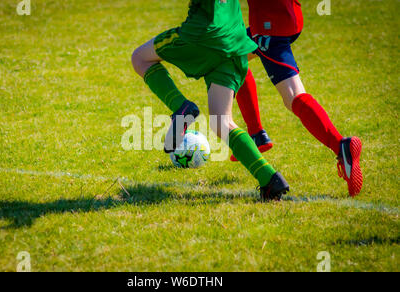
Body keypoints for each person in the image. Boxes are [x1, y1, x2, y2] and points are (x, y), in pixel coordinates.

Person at [131, 0, 289, 201]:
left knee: (140, 58)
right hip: (235, 40)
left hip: (204, 35)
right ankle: (270, 179)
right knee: (221, 122)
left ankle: (181, 107)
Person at [231, 0, 363, 197]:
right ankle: (256, 134)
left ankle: (341, 145)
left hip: (271, 25)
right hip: (290, 16)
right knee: (233, 54)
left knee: (293, 96)